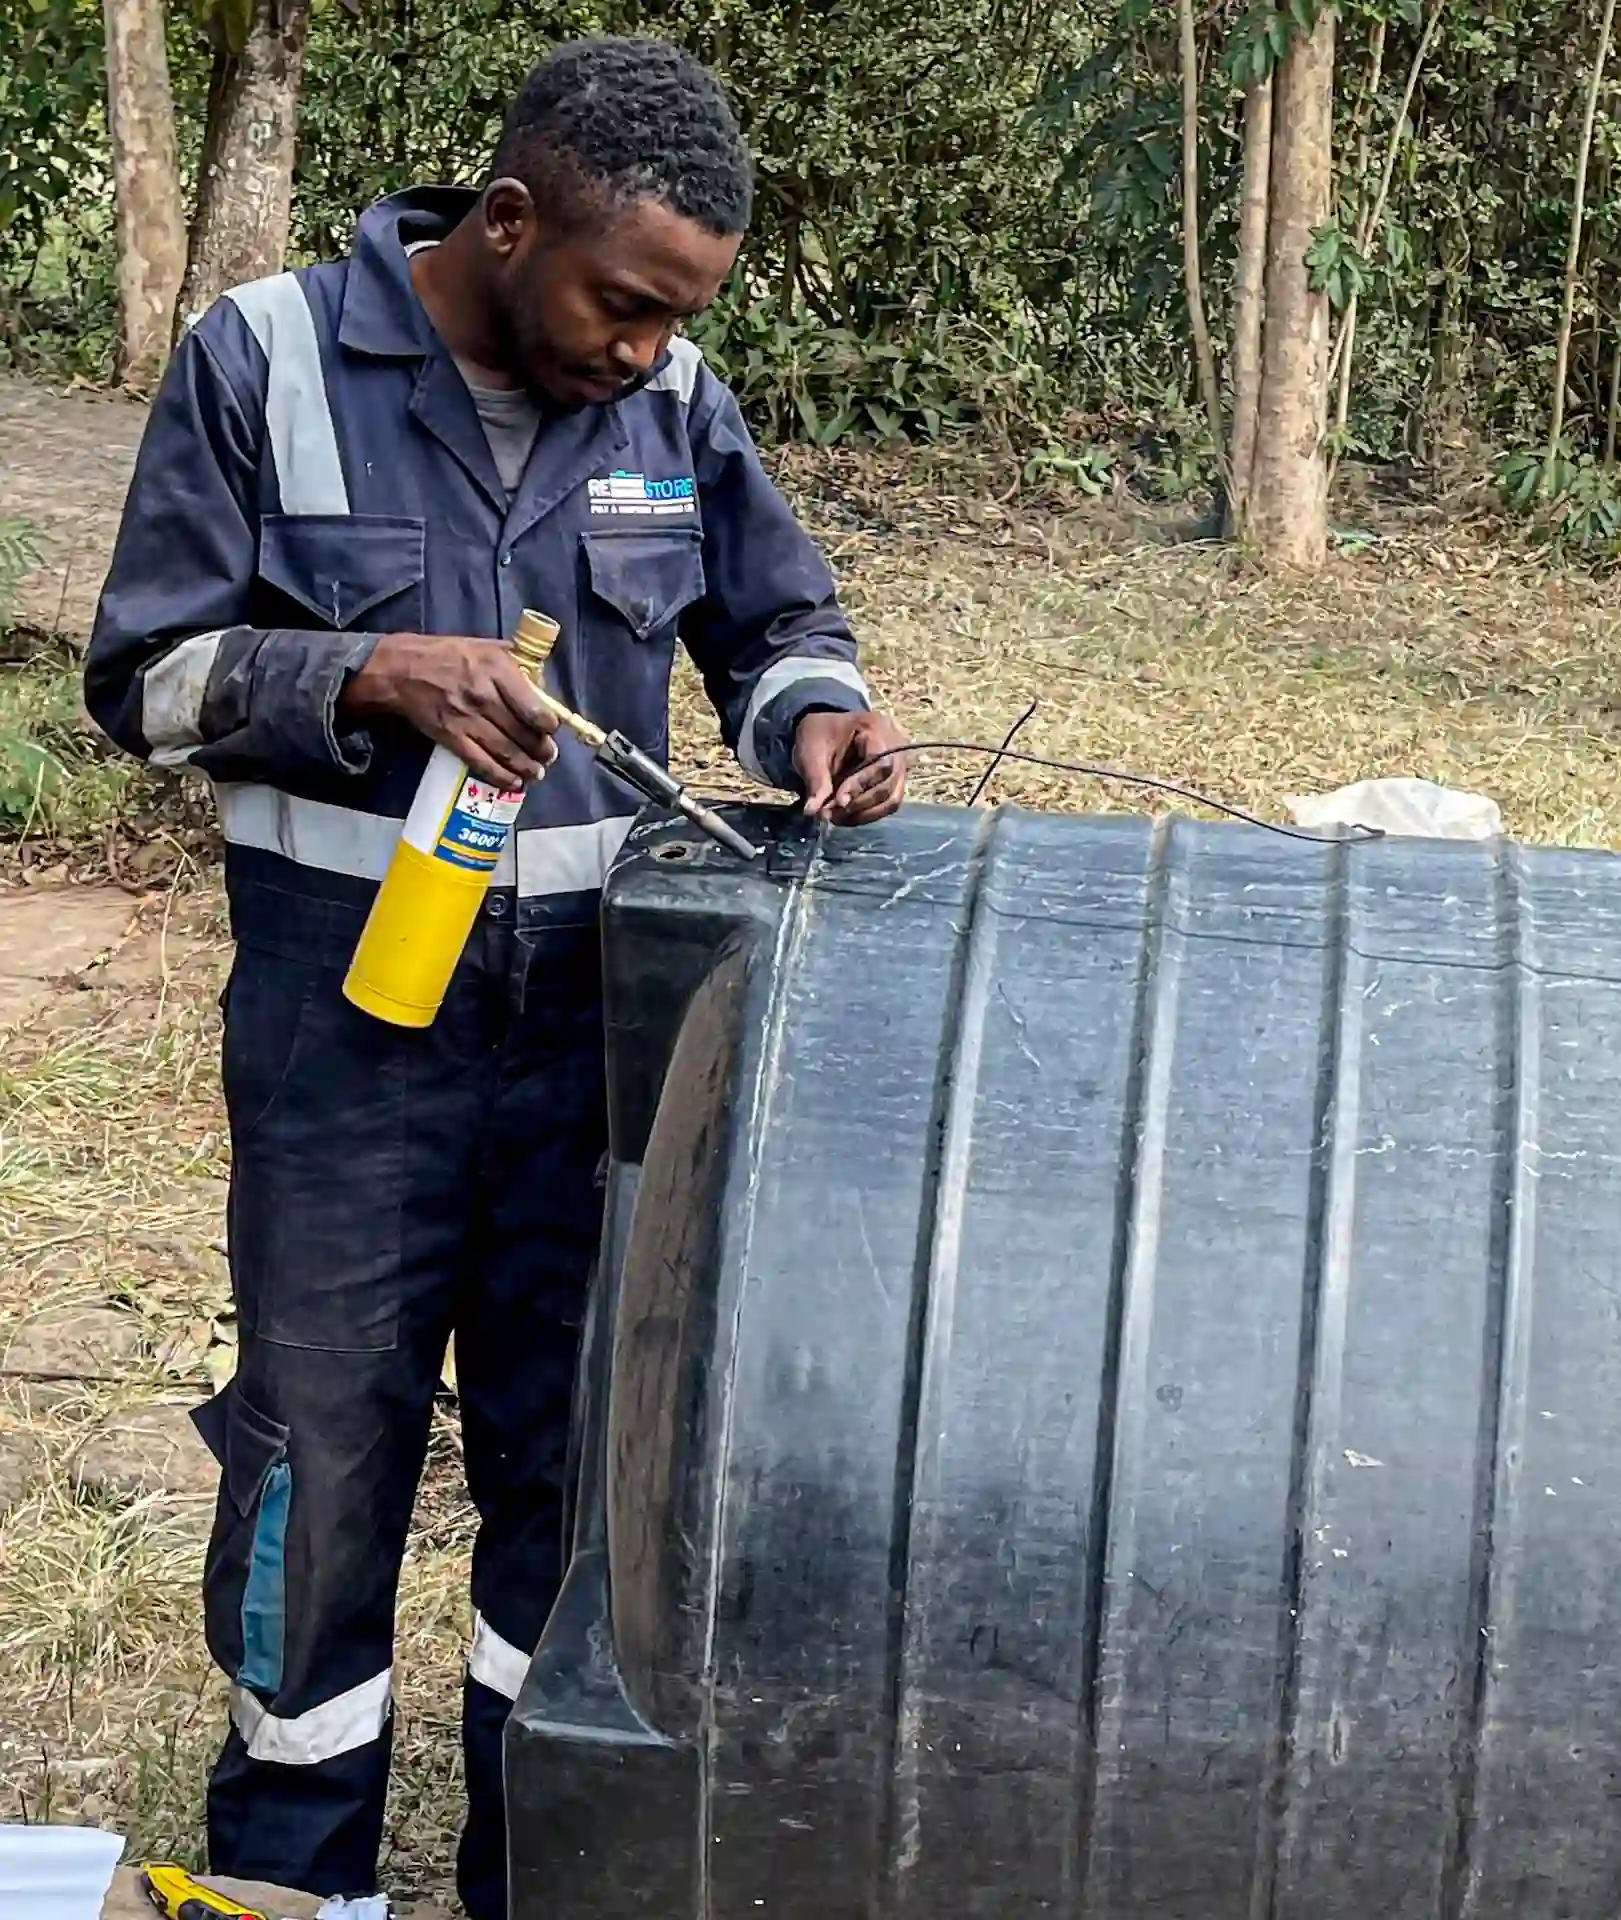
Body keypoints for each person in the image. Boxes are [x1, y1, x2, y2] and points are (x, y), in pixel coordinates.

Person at [84, 35, 908, 1919]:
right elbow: (138, 681)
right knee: (323, 1446)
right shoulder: (266, 360)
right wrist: (363, 677)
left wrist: (819, 714)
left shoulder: (675, 401)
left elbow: (776, 618)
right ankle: (294, 1875)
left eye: (670, 320)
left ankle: (534, 1872)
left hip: (596, 1044)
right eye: (620, 305)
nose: (638, 351)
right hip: (344, 1035)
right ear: (510, 218)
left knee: (576, 1463)